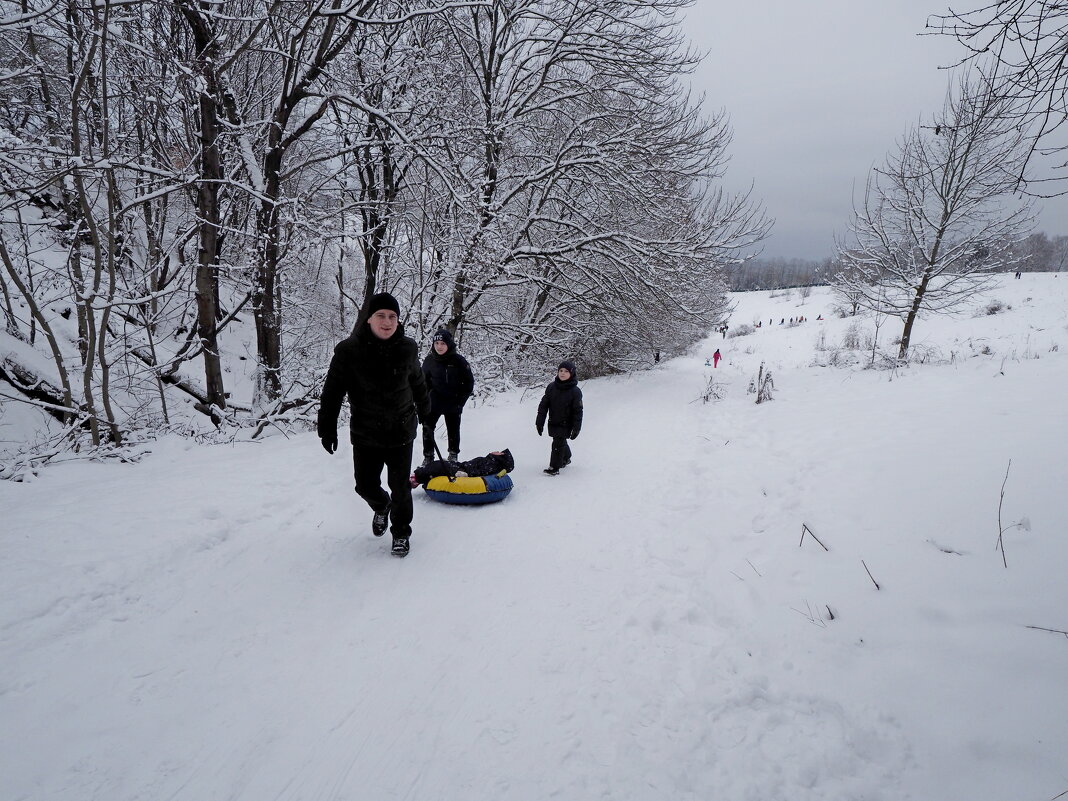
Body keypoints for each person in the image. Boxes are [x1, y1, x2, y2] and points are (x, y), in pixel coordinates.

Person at [318, 292, 430, 558]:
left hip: (401, 429)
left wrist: (427, 414)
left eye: (392, 316)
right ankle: (381, 506)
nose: (387, 322)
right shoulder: (348, 351)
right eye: (381, 315)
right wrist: (327, 427)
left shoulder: (408, 348)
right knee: (364, 485)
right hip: (366, 432)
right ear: (368, 319)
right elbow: (332, 391)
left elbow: (418, 382)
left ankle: (401, 532)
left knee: (400, 487)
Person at [420, 328, 474, 466]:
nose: (439, 346)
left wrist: (460, 402)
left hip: (453, 403)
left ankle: (453, 455)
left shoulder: (459, 361)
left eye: (443, 343)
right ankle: (428, 457)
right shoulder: (429, 360)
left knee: (453, 430)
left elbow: (468, 382)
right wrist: (423, 401)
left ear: (448, 344)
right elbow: (423, 383)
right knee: (427, 428)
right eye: (437, 343)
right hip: (434, 403)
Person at [536, 360, 583, 476]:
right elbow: (543, 406)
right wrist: (539, 422)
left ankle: (554, 467)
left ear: (571, 373)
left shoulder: (575, 391)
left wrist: (576, 428)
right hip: (553, 421)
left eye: (566, 371)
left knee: (558, 443)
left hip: (567, 423)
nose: (562, 373)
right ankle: (566, 457)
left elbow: (578, 411)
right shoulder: (551, 387)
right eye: (561, 370)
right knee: (559, 441)